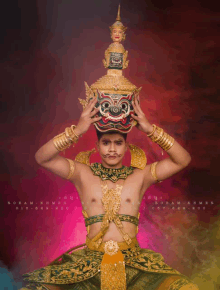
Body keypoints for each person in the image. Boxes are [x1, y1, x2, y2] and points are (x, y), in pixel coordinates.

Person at [20, 6, 199, 290]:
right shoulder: (82, 173)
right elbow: (42, 158)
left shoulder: (140, 175)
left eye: (118, 143)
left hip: (135, 267)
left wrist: (150, 129)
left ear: (127, 145)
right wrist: (76, 131)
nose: (112, 149)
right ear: (98, 144)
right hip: (88, 266)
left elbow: (182, 160)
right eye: (106, 143)